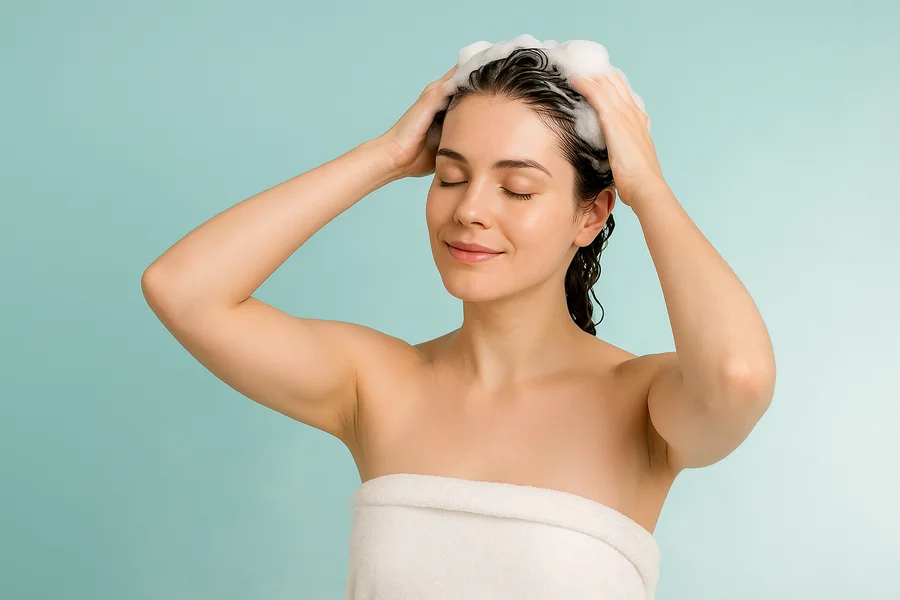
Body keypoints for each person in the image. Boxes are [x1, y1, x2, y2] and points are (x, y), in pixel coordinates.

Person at [141, 47, 776, 599]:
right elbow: (183, 289)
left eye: (518, 189)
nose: (469, 209)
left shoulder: (641, 404)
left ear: (590, 215)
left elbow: (738, 377)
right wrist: (385, 156)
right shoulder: (377, 384)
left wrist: (650, 189)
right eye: (450, 176)